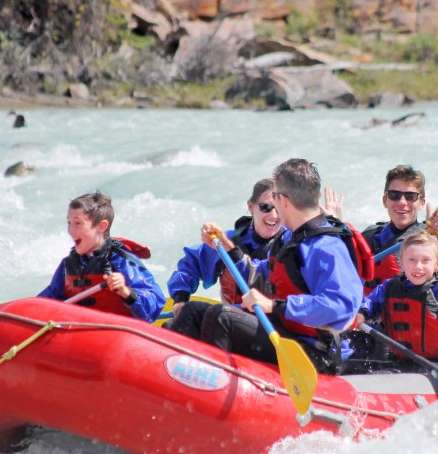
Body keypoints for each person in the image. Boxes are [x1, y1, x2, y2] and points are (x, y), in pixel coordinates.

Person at [165, 159, 363, 374]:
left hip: (312, 351)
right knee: (195, 311)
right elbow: (260, 276)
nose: (273, 209)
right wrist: (228, 247)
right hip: (282, 331)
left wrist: (274, 306)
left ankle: (212, 392)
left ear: (284, 200)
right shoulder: (290, 239)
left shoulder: (326, 246)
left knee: (221, 316)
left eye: (275, 196)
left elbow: (340, 307)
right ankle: (171, 381)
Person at [354, 228, 438, 366]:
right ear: (401, 262)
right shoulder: (388, 288)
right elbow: (370, 303)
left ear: (437, 265)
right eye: (412, 260)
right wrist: (362, 313)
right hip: (399, 363)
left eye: (425, 261)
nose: (418, 266)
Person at [38, 191, 165, 323]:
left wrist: (126, 292)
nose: (70, 230)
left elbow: (155, 301)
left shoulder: (121, 260)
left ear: (101, 226)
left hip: (119, 333)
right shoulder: (68, 265)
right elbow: (48, 299)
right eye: (69, 223)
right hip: (81, 333)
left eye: (78, 223)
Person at [166, 178, 283, 317]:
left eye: (279, 208)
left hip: (272, 323)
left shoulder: (291, 244)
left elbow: (262, 278)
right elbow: (192, 264)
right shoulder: (229, 239)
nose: (274, 215)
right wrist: (180, 299)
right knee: (174, 321)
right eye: (266, 207)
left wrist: (230, 250)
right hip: (229, 321)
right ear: (251, 207)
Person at [362, 165, 438, 294]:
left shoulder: (434, 237)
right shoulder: (368, 238)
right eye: (395, 195)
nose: (402, 202)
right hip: (372, 312)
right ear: (385, 200)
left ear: (421, 203)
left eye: (410, 196)